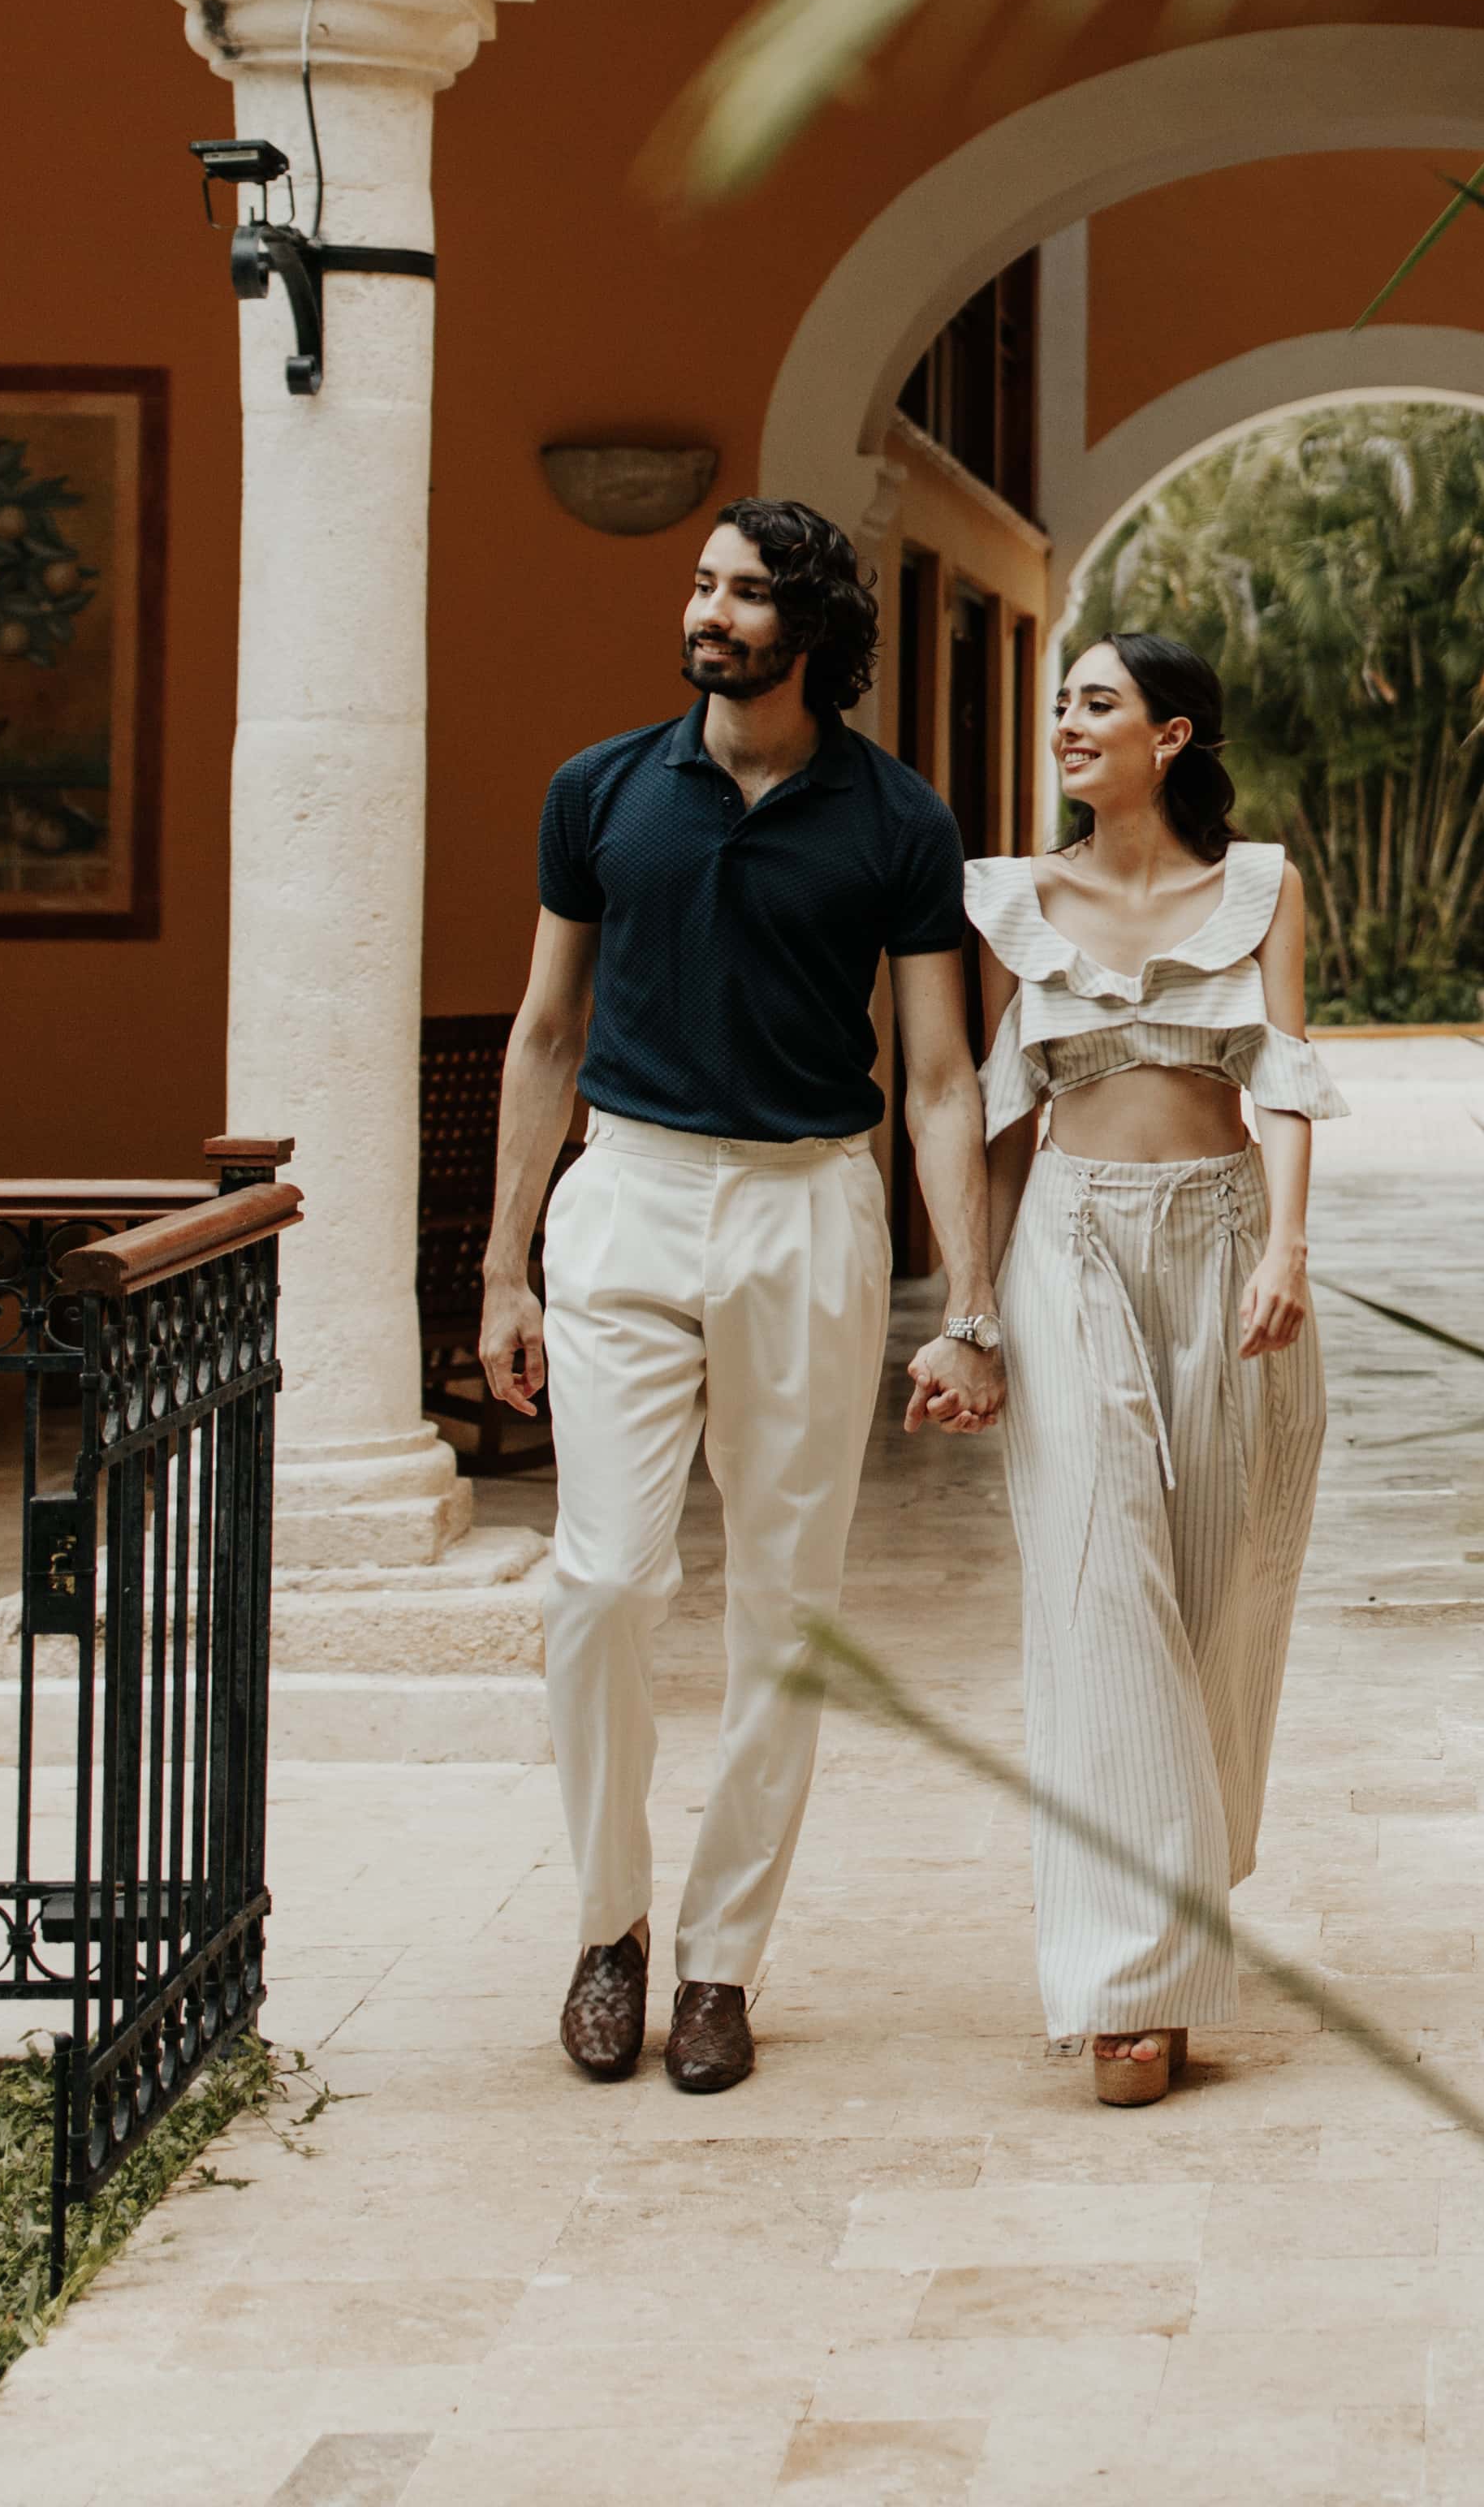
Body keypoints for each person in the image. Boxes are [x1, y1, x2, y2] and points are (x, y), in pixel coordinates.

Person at [480, 499, 990, 2099]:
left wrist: (968, 1297)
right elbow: (546, 1032)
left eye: (748, 591)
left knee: (788, 1600)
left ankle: (719, 1962)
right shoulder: (604, 789)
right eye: (703, 582)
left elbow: (945, 1073)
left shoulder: (899, 819)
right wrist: (502, 1264)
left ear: (815, 629)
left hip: (807, 1203)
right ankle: (608, 1927)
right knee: (606, 1583)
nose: (710, 610)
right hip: (625, 1192)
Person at [901, 628, 1335, 2109]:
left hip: (1228, 1253)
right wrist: (970, 1315)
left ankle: (1177, 1886)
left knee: (1222, 1595)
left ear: (1176, 735)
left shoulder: (1262, 885)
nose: (1065, 726)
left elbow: (1280, 1072)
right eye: (1062, 706)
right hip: (1069, 1251)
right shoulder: (1009, 902)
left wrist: (1286, 1247)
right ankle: (1125, 1987)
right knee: (1101, 1590)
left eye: (1097, 704)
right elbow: (985, 1118)